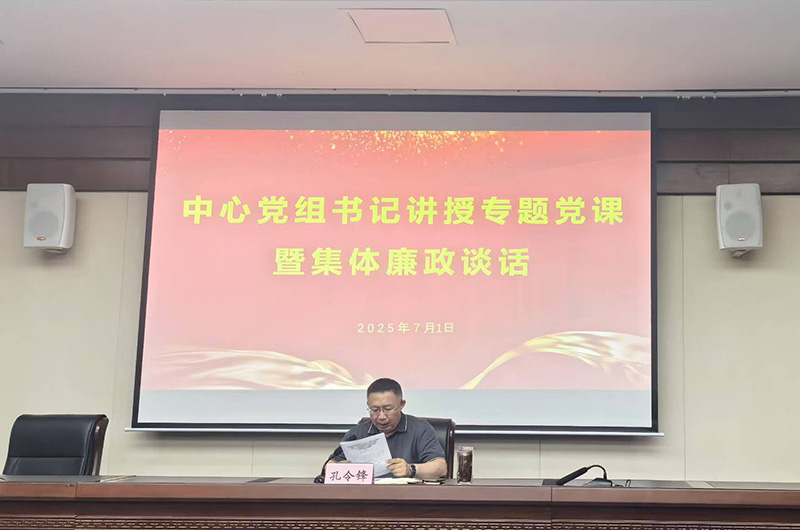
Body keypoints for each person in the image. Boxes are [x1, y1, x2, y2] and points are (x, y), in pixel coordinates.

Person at [326, 378, 447, 480]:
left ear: (402, 404)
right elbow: (330, 465)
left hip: (408, 497)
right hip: (366, 496)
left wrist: (410, 469)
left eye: (388, 409)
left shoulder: (420, 429)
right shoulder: (357, 433)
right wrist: (339, 469)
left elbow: (440, 468)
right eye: (375, 410)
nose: (381, 416)